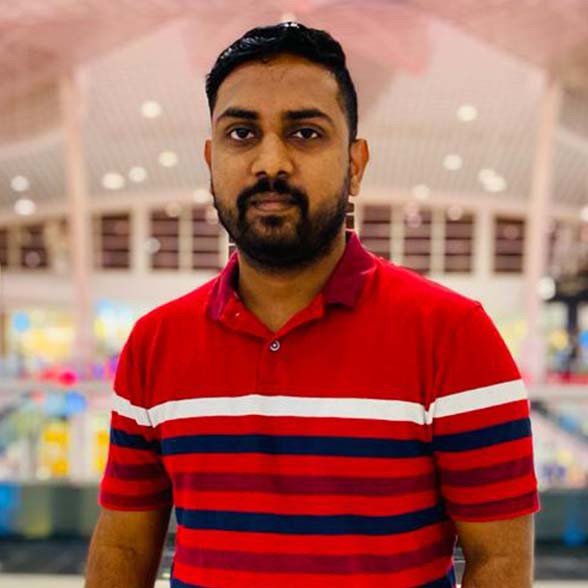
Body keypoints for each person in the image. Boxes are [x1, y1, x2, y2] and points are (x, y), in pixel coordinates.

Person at [86, 22, 539, 588]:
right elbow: (125, 545)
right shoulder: (156, 343)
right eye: (241, 133)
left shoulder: (453, 335)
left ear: (355, 164)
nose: (270, 162)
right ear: (210, 159)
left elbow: (499, 561)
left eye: (304, 133)